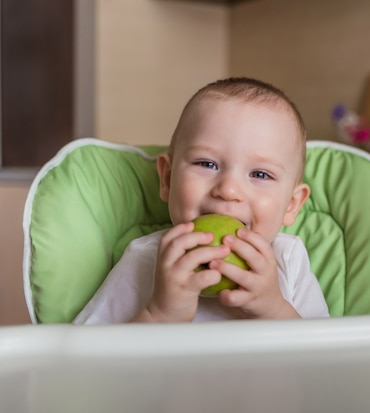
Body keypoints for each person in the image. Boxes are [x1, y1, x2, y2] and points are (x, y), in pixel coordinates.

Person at [73, 77, 329, 324]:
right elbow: (87, 360)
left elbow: (330, 361)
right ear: (168, 179)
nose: (228, 190)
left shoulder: (289, 261)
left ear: (292, 204)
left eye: (260, 174)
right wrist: (160, 313)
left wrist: (274, 309)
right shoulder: (144, 261)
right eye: (207, 163)